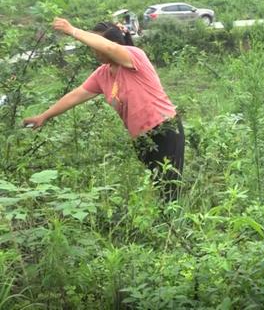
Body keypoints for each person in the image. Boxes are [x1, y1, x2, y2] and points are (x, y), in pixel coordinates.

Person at [23, 17, 184, 202]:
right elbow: (76, 95)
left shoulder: (134, 55)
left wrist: (72, 30)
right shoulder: (102, 73)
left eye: (96, 43)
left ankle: (174, 226)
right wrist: (44, 116)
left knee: (170, 187)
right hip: (141, 138)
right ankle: (165, 223)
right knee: (158, 184)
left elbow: (109, 48)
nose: (94, 49)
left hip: (165, 128)